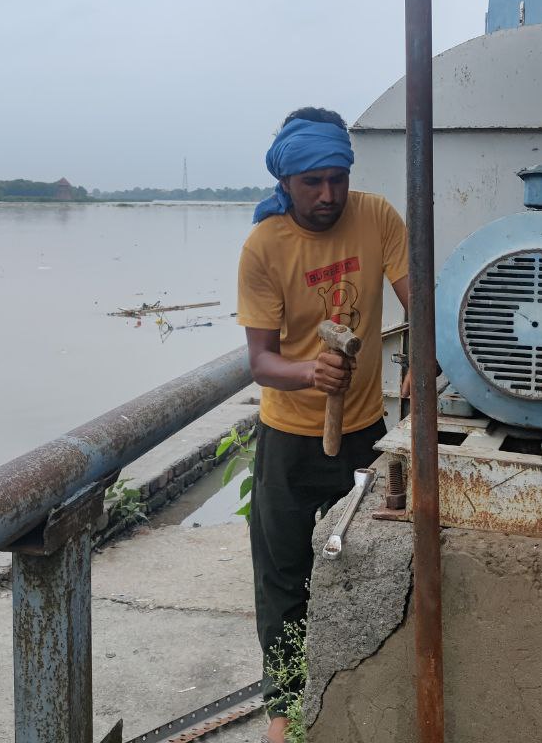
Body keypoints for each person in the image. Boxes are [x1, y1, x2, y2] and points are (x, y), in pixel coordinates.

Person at [236, 107, 410, 743]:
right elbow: (260, 361)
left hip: (363, 434)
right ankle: (285, 719)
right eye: (313, 181)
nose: (329, 195)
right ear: (287, 183)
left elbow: (419, 297)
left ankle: (353, 690)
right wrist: (310, 373)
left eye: (337, 177)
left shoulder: (377, 216)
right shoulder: (265, 247)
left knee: (363, 563)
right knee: (282, 579)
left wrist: (430, 358)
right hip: (287, 439)